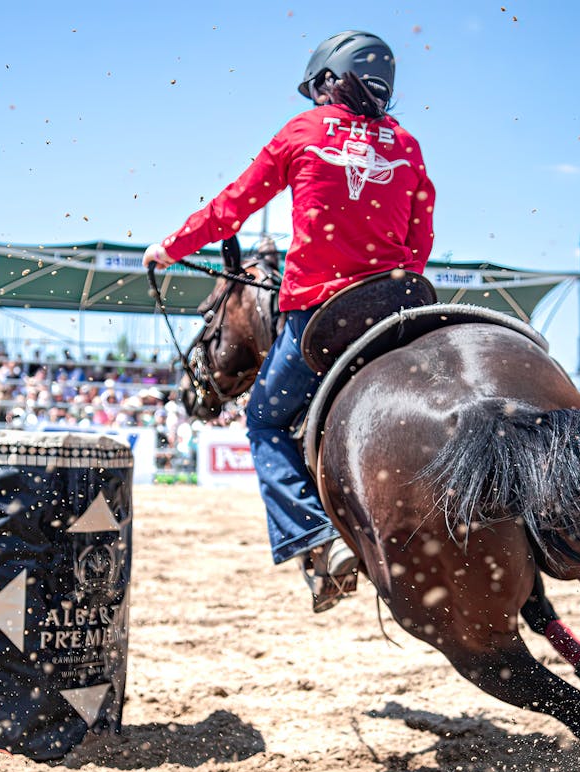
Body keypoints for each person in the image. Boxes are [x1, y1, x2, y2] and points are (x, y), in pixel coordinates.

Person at [143, 30, 435, 612]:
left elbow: (232, 205)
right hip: (399, 306)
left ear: (330, 80)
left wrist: (169, 249)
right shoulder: (407, 145)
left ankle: (316, 538)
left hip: (321, 314)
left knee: (264, 422)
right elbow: (419, 239)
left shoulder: (302, 132)